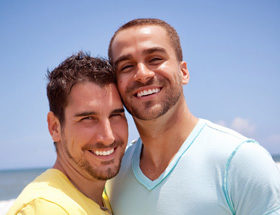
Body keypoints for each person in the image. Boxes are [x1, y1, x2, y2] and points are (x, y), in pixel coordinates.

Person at [105, 18, 280, 215]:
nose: (142, 74)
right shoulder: (114, 176)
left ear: (183, 72)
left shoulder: (242, 161)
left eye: (155, 59)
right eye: (126, 67)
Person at [8, 52, 128, 215]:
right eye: (88, 118)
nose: (108, 137)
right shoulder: (46, 208)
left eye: (115, 115)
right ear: (55, 127)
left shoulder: (104, 196)